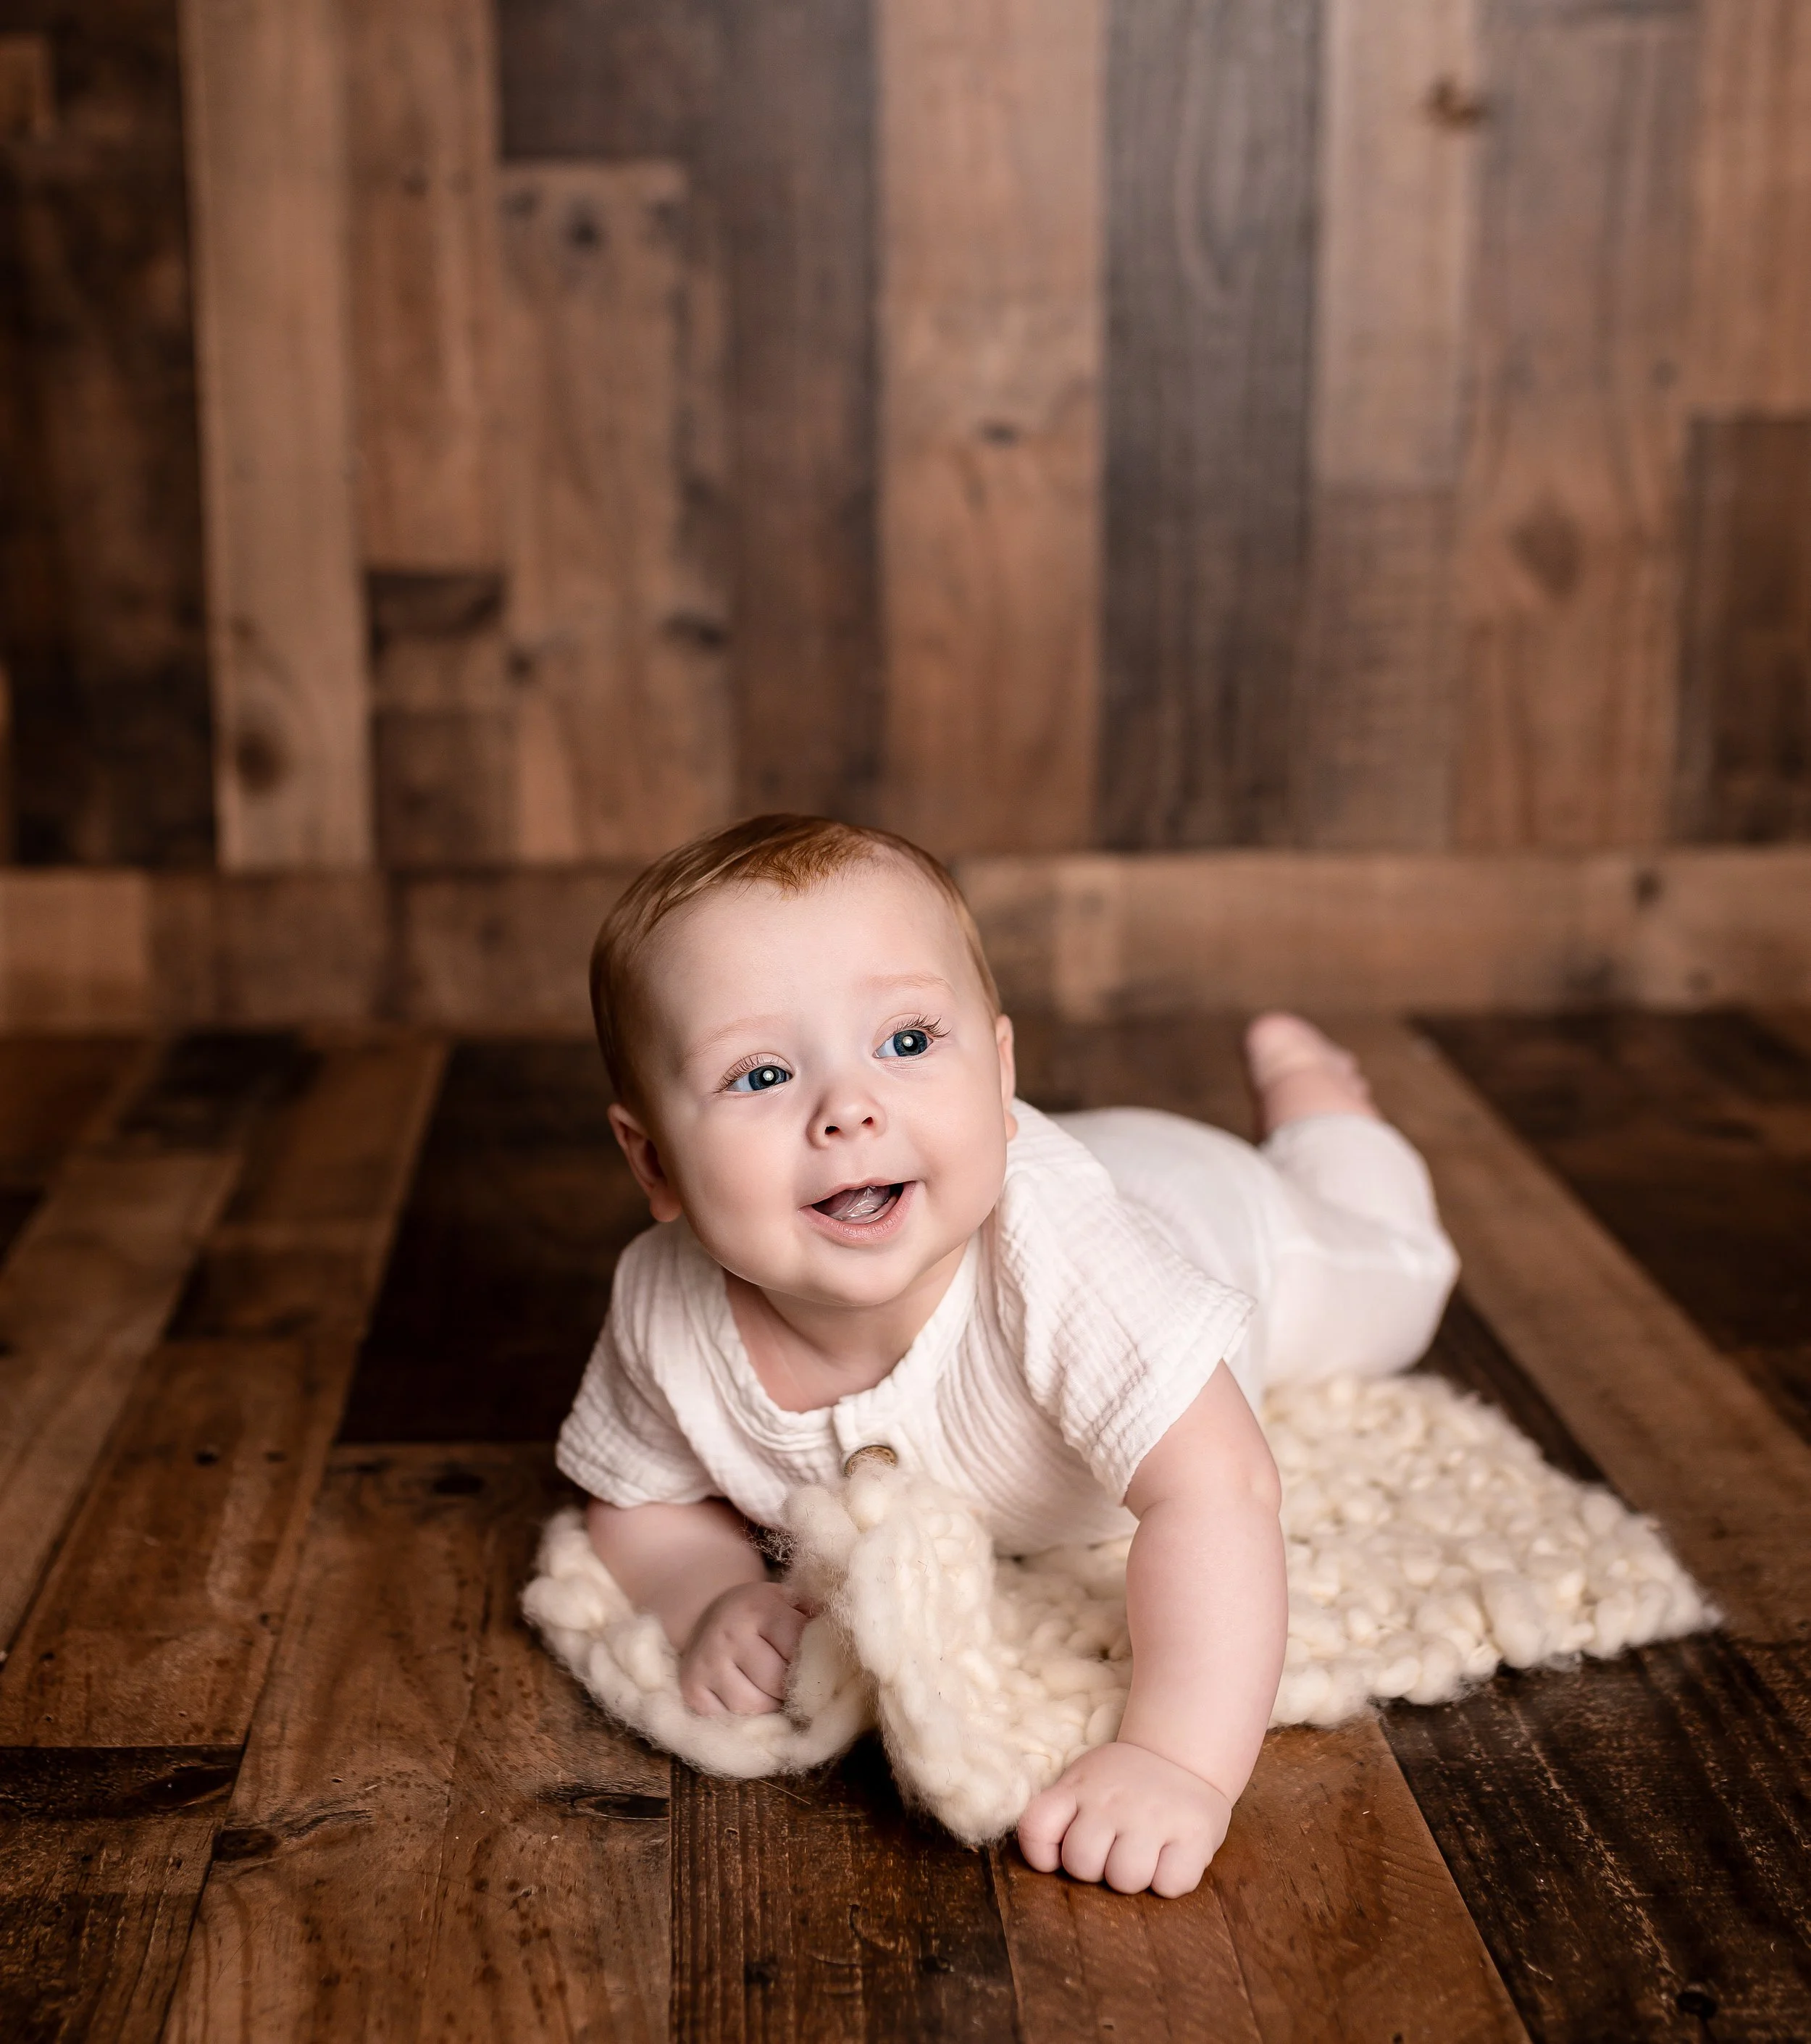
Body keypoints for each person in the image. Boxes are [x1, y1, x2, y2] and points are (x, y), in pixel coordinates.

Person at [556, 814, 1458, 1898]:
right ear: (654, 1161)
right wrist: (708, 1593)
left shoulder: (1073, 1263)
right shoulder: (662, 1309)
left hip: (1212, 1212)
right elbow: (639, 1499)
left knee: (1400, 1282)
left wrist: (1177, 1759)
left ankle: (1325, 1112)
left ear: (997, 1069)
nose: (849, 1110)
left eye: (906, 1042)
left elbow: (1219, 1487)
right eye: (761, 1074)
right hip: (981, 1165)